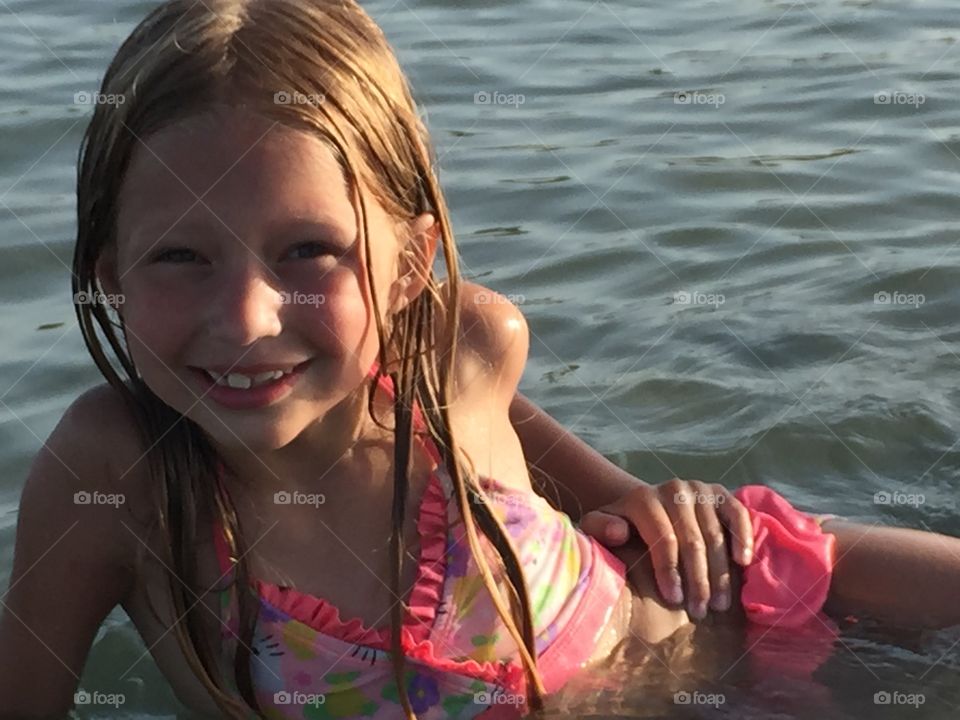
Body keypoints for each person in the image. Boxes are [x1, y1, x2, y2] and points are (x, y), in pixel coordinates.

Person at [1, 2, 959, 719]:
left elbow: (626, 513)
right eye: (179, 257)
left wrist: (663, 501)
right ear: (109, 275)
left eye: (308, 252)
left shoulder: (461, 349)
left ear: (412, 261)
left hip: (758, 612)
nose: (247, 317)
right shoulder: (115, 474)